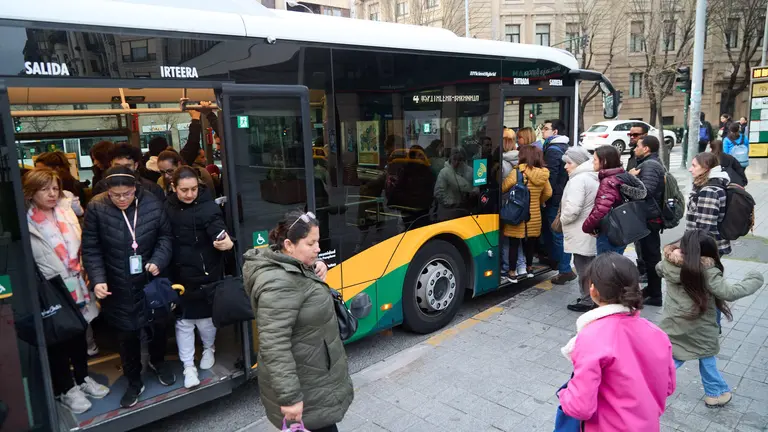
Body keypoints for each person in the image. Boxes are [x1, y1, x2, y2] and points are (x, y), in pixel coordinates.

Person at [242, 211, 352, 432]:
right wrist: (291, 398)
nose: (318, 248)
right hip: (305, 389)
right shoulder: (278, 285)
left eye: (318, 242)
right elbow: (274, 346)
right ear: (289, 245)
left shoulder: (291, 266)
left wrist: (314, 266)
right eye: (311, 243)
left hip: (314, 378)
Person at [82, 166, 174, 408]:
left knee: (158, 325)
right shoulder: (97, 206)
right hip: (117, 283)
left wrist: (158, 260)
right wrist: (98, 279)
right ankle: (134, 380)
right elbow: (91, 247)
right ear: (107, 191)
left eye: (127, 194)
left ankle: (158, 362)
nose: (122, 199)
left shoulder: (152, 203)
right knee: (127, 334)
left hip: (149, 279)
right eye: (116, 195)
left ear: (136, 188)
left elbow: (165, 237)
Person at [23, 168, 109, 413]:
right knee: (57, 338)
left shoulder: (65, 211)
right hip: (50, 286)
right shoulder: (25, 220)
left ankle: (82, 378)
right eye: (44, 188)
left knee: (79, 331)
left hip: (77, 282)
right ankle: (65, 388)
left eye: (54, 188)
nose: (52, 193)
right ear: (31, 192)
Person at [558, 252, 676, 431]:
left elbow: (580, 407)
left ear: (593, 290)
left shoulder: (591, 337)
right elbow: (668, 387)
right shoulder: (658, 334)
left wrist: (564, 394)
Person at [657, 230, 764, 407]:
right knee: (706, 357)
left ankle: (652, 384)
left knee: (676, 357)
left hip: (673, 321)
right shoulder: (706, 271)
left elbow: (658, 269)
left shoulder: (669, 263)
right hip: (699, 327)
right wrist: (754, 278)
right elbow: (729, 292)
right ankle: (715, 393)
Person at [165, 166, 233, 389]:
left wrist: (227, 242)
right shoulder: (166, 208)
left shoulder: (208, 207)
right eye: (184, 190)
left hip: (206, 272)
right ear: (173, 187)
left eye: (194, 189)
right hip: (178, 274)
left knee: (205, 321)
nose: (189, 194)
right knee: (183, 323)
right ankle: (188, 366)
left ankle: (208, 348)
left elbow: (219, 229)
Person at [582, 146, 647, 255]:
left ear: (605, 161)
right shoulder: (623, 175)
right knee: (617, 262)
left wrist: (587, 227)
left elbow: (601, 210)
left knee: (606, 267)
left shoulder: (608, 181)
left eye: (595, 160)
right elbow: (641, 192)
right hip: (624, 228)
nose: (593, 163)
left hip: (610, 231)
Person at [501, 146, 552, 280]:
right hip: (534, 214)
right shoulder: (543, 174)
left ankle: (512, 272)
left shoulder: (517, 172)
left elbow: (503, 187)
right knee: (530, 243)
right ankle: (529, 269)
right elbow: (548, 193)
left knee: (514, 244)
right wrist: (537, 201)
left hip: (517, 213)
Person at [559, 147, 599, 312]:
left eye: (569, 163)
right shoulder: (591, 176)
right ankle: (592, 297)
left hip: (580, 230)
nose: (565, 167)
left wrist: (562, 220)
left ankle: (587, 300)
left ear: (578, 163)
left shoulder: (578, 179)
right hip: (587, 230)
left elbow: (573, 209)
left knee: (583, 268)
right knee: (589, 266)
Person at [628, 135, 666, 307]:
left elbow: (645, 192)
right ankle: (651, 290)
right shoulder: (651, 163)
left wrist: (628, 179)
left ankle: (655, 294)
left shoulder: (650, 165)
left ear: (646, 149)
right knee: (649, 255)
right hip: (648, 216)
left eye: (638, 146)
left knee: (651, 257)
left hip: (649, 217)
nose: (635, 149)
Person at [542, 119, 575, 284]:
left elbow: (551, 178)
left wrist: (546, 198)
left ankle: (564, 269)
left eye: (546, 129)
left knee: (557, 232)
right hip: (562, 196)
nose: (542, 131)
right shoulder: (564, 146)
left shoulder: (553, 150)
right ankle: (558, 263)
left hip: (555, 199)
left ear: (555, 132)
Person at [687, 153, 731, 256]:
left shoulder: (709, 191)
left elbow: (705, 228)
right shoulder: (714, 183)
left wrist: (694, 249)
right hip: (707, 245)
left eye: (694, 165)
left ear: (706, 167)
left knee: (705, 272)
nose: (690, 169)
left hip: (704, 248)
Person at [91, 143, 166, 202]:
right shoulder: (101, 187)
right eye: (118, 166)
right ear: (111, 164)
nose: (122, 170)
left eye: (127, 166)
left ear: (135, 165)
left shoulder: (152, 189)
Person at [498, 128, 527, 281]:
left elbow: (500, 186)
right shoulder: (520, 159)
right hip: (518, 205)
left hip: (505, 204)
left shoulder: (502, 162)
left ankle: (506, 268)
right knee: (516, 237)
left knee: (505, 238)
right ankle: (521, 266)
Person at [434, 148, 475, 214]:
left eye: (460, 160)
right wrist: (453, 204)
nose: (457, 163)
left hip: (465, 210)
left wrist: (473, 193)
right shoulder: (444, 173)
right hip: (448, 211)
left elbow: (475, 186)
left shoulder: (469, 171)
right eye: (454, 159)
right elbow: (439, 193)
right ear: (450, 159)